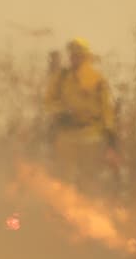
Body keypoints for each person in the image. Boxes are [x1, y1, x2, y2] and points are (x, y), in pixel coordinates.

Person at [43, 38, 117, 184]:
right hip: (66, 135)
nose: (74, 58)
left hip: (92, 136)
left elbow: (107, 110)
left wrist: (110, 138)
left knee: (90, 180)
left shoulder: (97, 79)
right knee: (63, 179)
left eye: (78, 55)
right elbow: (48, 102)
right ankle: (64, 205)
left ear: (86, 57)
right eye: (72, 55)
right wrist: (61, 112)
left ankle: (89, 205)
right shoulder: (62, 77)